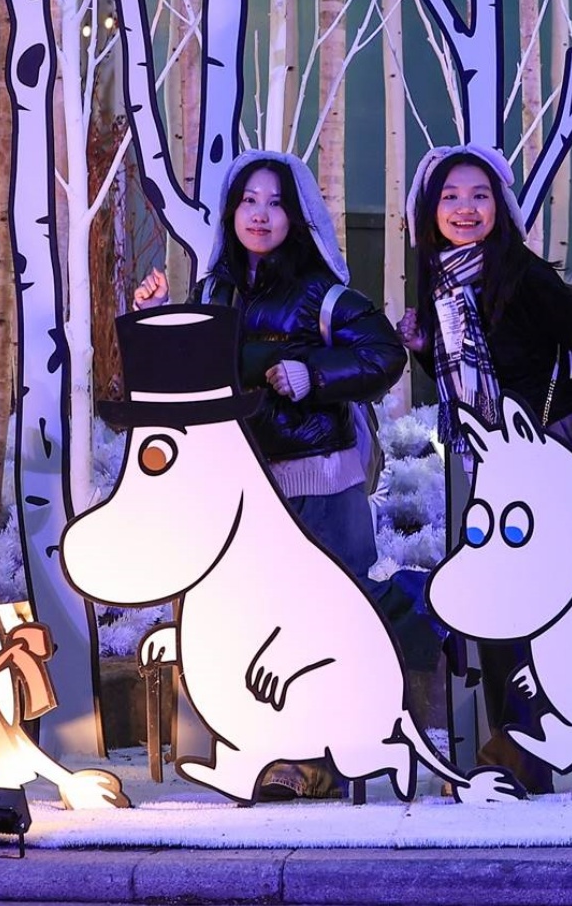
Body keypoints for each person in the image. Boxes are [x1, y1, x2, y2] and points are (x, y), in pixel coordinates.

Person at [133, 151, 404, 801]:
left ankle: (331, 757)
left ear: (297, 214)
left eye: (275, 202)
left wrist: (315, 376)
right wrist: (159, 315)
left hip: (320, 483)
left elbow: (384, 355)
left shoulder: (324, 294)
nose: (260, 214)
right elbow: (188, 383)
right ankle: (279, 753)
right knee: (263, 624)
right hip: (248, 491)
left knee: (330, 620)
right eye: (248, 200)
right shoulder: (213, 292)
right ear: (231, 213)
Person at [405, 144, 572, 499]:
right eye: (450, 197)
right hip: (504, 448)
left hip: (566, 438)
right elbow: (473, 382)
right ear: (431, 209)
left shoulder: (526, 276)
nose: (465, 208)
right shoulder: (445, 285)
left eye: (479, 195)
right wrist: (423, 349)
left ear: (499, 205)